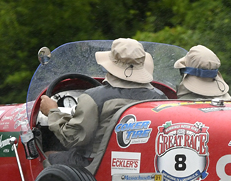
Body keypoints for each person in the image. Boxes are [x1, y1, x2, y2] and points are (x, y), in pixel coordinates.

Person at [40, 38, 164, 167]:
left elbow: (73, 138)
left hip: (98, 166)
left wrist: (52, 112)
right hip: (145, 164)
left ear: (110, 66)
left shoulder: (94, 97)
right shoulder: (160, 98)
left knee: (48, 156)